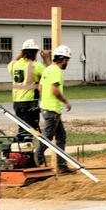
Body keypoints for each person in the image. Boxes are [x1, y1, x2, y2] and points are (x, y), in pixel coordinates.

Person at [35, 44, 74, 173]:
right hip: (52, 110)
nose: (67, 62)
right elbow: (55, 90)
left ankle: (62, 166)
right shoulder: (56, 71)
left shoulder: (48, 69)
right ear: (63, 59)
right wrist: (65, 101)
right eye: (67, 60)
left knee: (61, 136)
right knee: (48, 136)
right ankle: (36, 157)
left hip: (47, 108)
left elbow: (40, 88)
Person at [7, 39, 49, 137]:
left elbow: (11, 62)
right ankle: (24, 151)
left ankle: (18, 150)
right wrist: (46, 58)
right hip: (30, 103)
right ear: (35, 53)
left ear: (23, 52)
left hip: (17, 103)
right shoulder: (35, 66)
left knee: (23, 128)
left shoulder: (14, 65)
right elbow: (51, 74)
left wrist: (20, 53)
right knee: (30, 130)